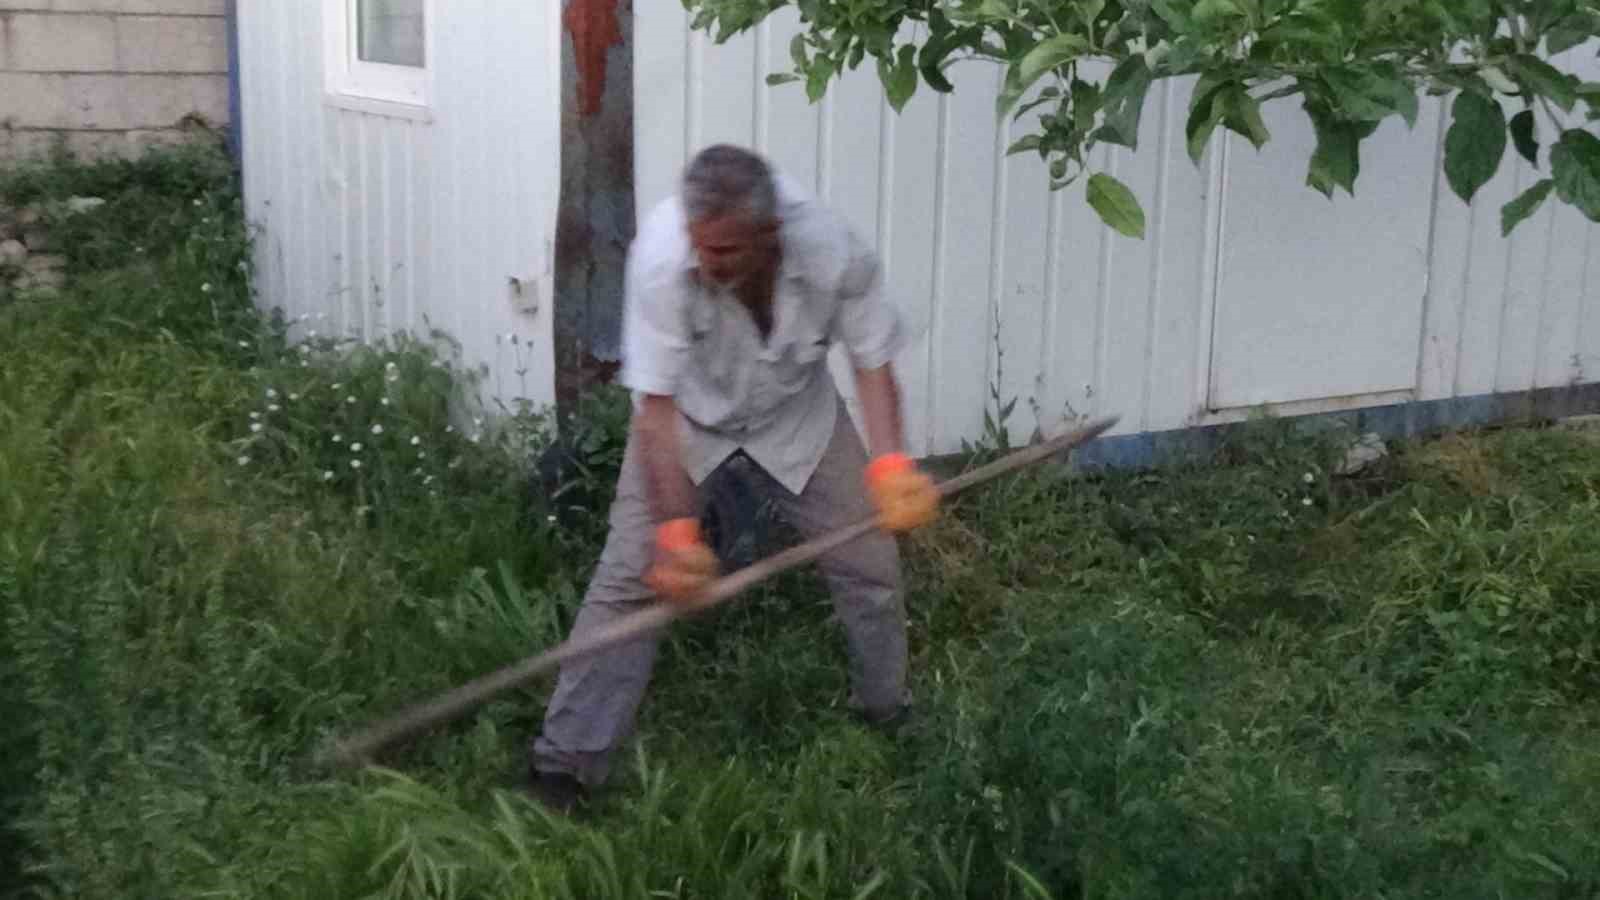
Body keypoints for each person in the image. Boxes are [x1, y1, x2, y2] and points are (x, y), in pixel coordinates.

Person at [526, 144, 940, 814]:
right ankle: (565, 765)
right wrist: (677, 534)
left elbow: (870, 360)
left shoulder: (834, 252)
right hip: (685, 420)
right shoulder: (664, 259)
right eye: (701, 245)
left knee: (869, 562)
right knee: (629, 580)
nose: (706, 261)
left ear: (768, 235)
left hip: (796, 414)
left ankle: (885, 710)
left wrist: (890, 464)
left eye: (723, 251)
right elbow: (655, 412)